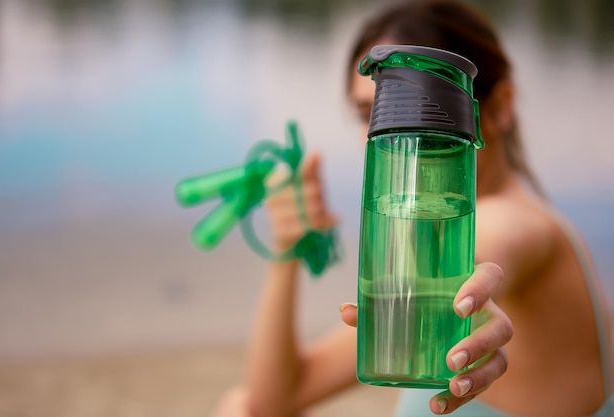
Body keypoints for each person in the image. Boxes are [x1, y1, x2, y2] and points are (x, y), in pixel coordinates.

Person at [210, 0, 613, 416]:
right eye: (370, 113)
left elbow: (493, 245)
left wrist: (468, 290)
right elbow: (276, 398)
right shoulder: (425, 238)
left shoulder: (523, 224)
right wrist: (287, 249)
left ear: (500, 106)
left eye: (419, 111)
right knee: (236, 406)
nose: (397, 135)